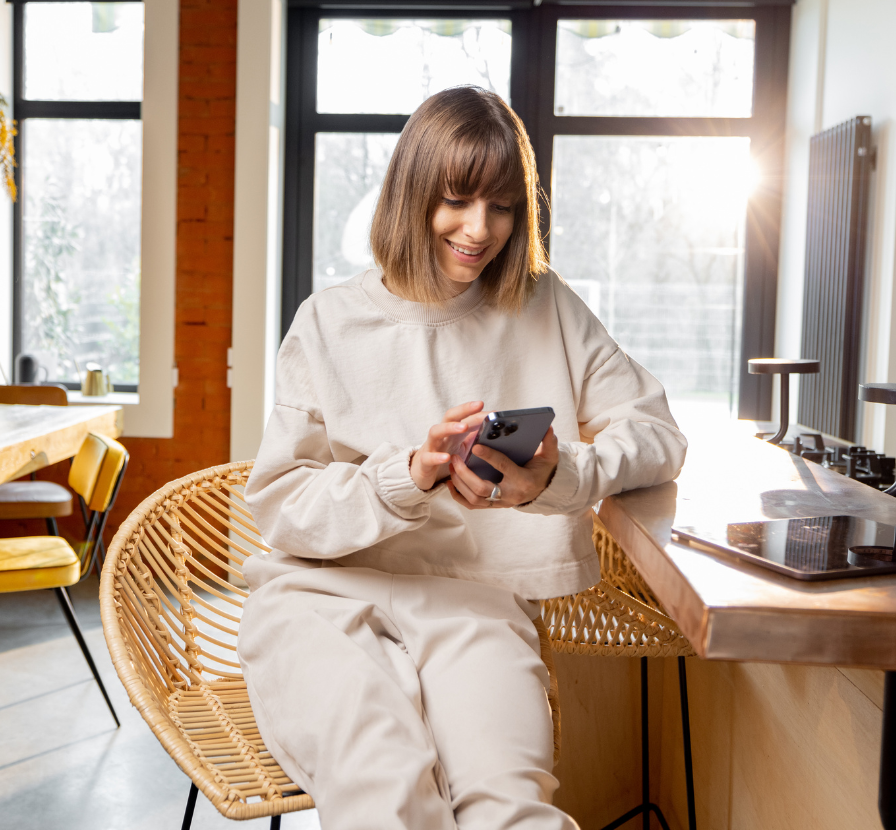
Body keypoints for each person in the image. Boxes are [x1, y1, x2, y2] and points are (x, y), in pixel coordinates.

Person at [238, 86, 687, 830]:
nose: (480, 230)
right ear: (410, 195)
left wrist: (556, 476)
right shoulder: (327, 323)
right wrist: (408, 476)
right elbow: (281, 503)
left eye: (504, 205)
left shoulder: (546, 305)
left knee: (510, 807)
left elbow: (658, 437)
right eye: (457, 200)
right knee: (382, 792)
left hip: (476, 598)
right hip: (318, 595)